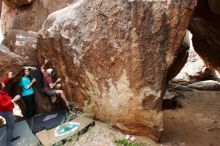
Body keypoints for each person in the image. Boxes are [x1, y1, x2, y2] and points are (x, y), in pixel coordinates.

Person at [0, 72, 21, 146]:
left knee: (9, 125)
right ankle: (8, 143)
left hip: (7, 110)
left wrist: (8, 77)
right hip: (6, 111)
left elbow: (3, 82)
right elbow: (3, 105)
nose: (2, 82)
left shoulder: (1, 89)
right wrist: (13, 100)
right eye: (1, 83)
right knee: (12, 126)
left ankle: (10, 138)